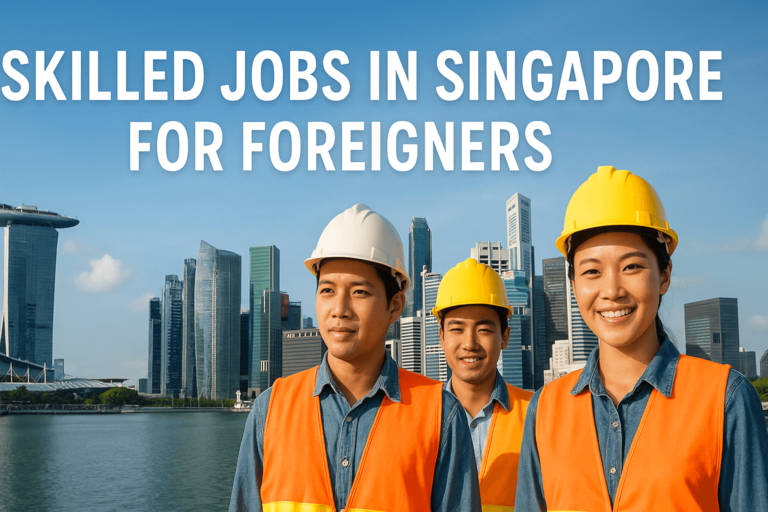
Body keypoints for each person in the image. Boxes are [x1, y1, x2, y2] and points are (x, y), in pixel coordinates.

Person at [514, 166, 768, 511]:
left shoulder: (726, 399)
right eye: (591, 271)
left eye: (632, 266)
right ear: (573, 285)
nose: (612, 290)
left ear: (664, 275)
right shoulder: (545, 409)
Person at [229, 203, 481, 512]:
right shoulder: (269, 411)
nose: (339, 309)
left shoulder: (441, 416)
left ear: (395, 305)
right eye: (327, 291)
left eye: (359, 292)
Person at [434, 257, 533, 510]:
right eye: (457, 329)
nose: (469, 343)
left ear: (505, 337)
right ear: (442, 337)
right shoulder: (419, 417)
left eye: (484, 330)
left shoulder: (537, 413)